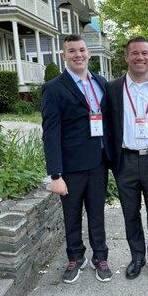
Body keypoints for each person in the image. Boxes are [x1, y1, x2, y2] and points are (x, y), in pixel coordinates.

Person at [41, 34, 112, 283]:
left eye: (81, 50)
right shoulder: (54, 88)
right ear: (64, 56)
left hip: (98, 163)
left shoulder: (101, 82)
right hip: (70, 168)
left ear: (89, 53)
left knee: (97, 214)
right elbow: (50, 134)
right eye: (72, 51)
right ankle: (75, 257)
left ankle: (100, 256)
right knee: (72, 216)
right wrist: (55, 174)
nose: (78, 55)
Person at [107, 36, 148, 282]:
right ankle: (137, 257)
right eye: (134, 53)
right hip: (125, 161)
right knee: (130, 213)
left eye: (144, 53)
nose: (139, 57)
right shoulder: (113, 89)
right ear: (126, 57)